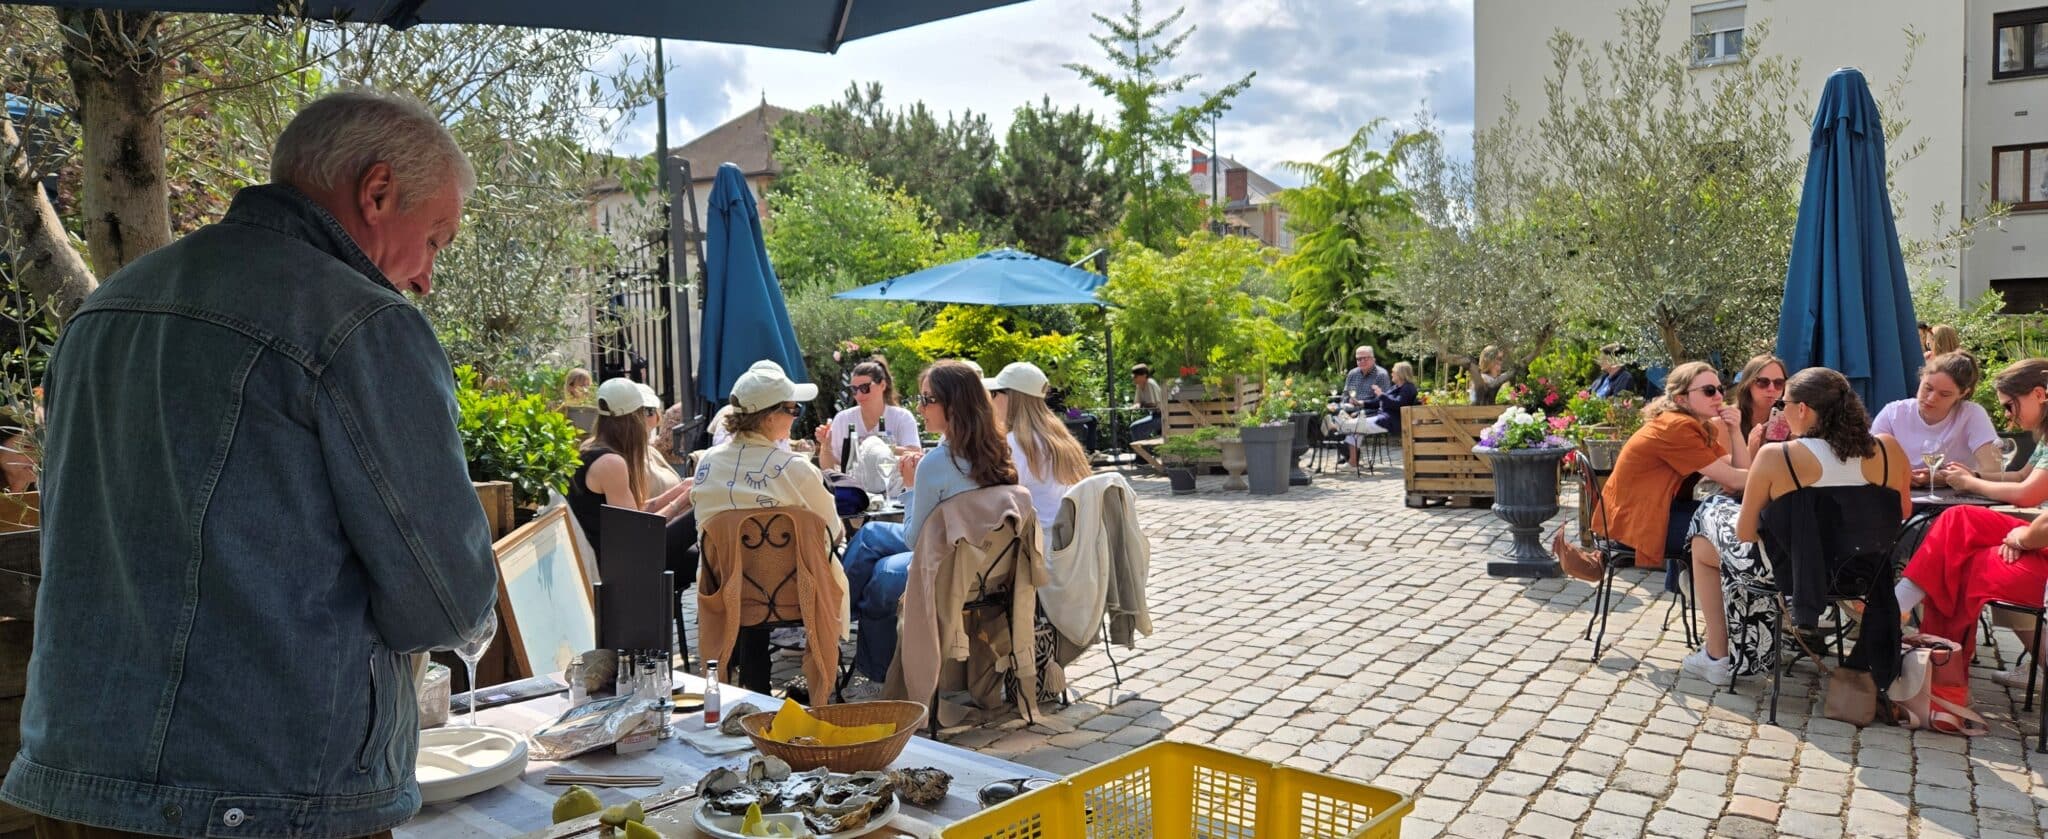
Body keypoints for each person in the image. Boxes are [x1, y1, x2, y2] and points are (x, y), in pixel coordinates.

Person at [0, 91, 499, 837]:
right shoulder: (361, 323)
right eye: (435, 240)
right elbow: (447, 604)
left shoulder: (102, 312)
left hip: (70, 784)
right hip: (267, 800)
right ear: (377, 192)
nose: (427, 277)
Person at [1681, 368, 1911, 685]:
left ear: (1802, 408)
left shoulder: (1778, 456)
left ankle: (1718, 655)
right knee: (1719, 531)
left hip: (1792, 574)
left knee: (1707, 522)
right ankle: (1744, 646)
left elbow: (1746, 533)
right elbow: (1902, 511)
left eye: (1783, 403)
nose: (1780, 410)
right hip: (1862, 574)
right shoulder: (1888, 449)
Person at [839, 361, 1018, 679]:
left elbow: (914, 540)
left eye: (927, 399)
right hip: (987, 558)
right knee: (871, 534)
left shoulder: (937, 463)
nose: (920, 408)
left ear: (955, 404)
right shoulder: (996, 448)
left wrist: (911, 486)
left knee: (882, 576)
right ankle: (837, 613)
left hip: (951, 567)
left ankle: (869, 667)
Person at [1900, 358, 2048, 730]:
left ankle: (1903, 619)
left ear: (2039, 394)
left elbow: (2028, 494)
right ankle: (1944, 687)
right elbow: (2022, 476)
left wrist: (1972, 487)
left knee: (1959, 529)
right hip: (2038, 535)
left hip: (2039, 537)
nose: (2008, 417)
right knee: (1960, 550)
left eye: (2010, 406)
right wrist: (1977, 474)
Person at [690, 361, 845, 690]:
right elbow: (833, 532)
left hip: (726, 592)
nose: (796, 416)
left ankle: (745, 688)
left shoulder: (706, 465)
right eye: (793, 409)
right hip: (798, 596)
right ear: (770, 417)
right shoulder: (796, 469)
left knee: (745, 570)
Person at [1593, 361, 1752, 572]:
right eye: (1709, 391)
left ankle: (1690, 584)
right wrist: (1777, 476)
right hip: (1637, 524)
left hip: (1646, 513)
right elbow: (1733, 480)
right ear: (1680, 399)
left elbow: (1738, 473)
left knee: (1735, 516)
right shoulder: (1677, 427)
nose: (1718, 396)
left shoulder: (1696, 426)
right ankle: (1697, 585)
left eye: (1720, 389)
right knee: (1737, 532)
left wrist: (1734, 431)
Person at [567, 378, 697, 578]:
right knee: (698, 514)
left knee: (700, 560)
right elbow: (636, 532)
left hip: (616, 555)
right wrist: (682, 501)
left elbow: (633, 513)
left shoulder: (590, 448)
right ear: (635, 417)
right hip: (617, 566)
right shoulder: (610, 463)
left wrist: (679, 490)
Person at [1870, 352, 2001, 488]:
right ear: (1921, 378)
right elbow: (1868, 462)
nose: (1931, 398)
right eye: (1928, 388)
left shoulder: (1971, 414)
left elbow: (1994, 470)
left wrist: (1944, 478)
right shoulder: (1894, 413)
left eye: (1944, 394)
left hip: (1954, 495)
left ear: (1963, 393)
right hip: (1898, 491)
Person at [986, 362, 1092, 527]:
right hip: (1068, 535)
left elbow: (996, 504)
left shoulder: (1016, 443)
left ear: (1011, 397)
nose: (990, 401)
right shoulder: (1059, 437)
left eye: (993, 394)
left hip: (1037, 538)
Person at [817, 357, 921, 472]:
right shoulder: (843, 419)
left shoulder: (902, 417)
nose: (859, 395)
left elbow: (915, 454)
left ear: (882, 385)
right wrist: (825, 446)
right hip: (853, 483)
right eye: (854, 389)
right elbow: (829, 469)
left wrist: (877, 447)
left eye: (865, 388)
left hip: (892, 482)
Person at [1731, 354, 1791, 457]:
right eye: (1763, 382)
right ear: (1748, 384)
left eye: (1779, 383)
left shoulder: (1790, 419)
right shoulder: (1727, 421)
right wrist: (1751, 450)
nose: (1771, 389)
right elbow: (1727, 467)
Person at [1128, 363, 1166, 442]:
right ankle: (1143, 449)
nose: (1133, 378)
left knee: (1135, 428)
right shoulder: (1139, 385)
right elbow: (1138, 402)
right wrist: (1136, 405)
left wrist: (1141, 405)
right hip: (1154, 415)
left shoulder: (1150, 383)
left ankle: (1143, 449)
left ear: (1144, 375)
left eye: (1135, 376)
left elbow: (1153, 405)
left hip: (1162, 417)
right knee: (1134, 427)